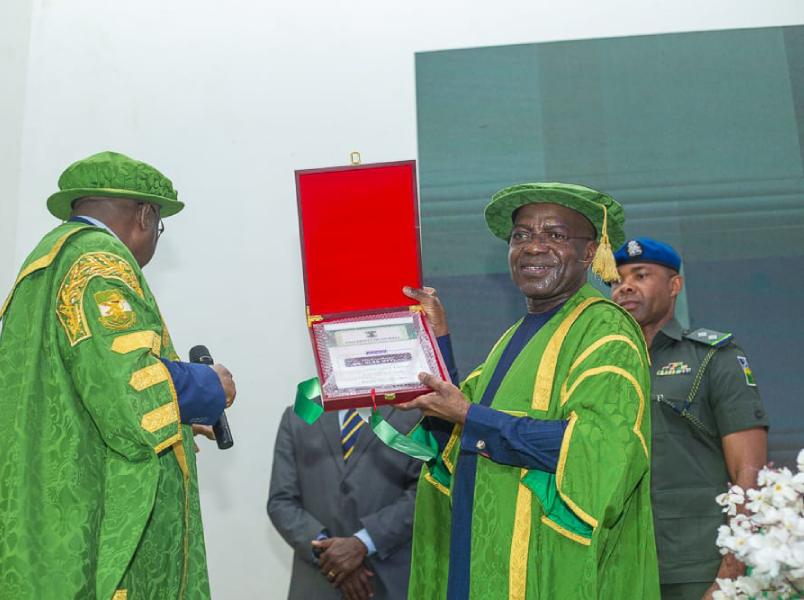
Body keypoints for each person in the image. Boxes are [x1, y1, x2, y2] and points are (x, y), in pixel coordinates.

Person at [398, 182, 660, 599]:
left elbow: (599, 451)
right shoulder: (516, 337)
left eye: (555, 235)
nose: (533, 247)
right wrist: (435, 341)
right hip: (484, 554)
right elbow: (454, 420)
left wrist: (471, 416)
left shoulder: (604, 329)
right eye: (521, 235)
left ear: (591, 252)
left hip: (549, 567)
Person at [0, 151, 236, 599]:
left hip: (49, 493)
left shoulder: (43, 263)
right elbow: (131, 392)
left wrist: (183, 416)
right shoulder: (98, 264)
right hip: (90, 509)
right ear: (146, 215)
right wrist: (211, 387)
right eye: (160, 226)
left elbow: (86, 385)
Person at [610, 237, 768, 600]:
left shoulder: (712, 356)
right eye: (616, 280)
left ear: (674, 285)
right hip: (620, 564)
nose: (625, 286)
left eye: (641, 274)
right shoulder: (602, 366)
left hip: (697, 565)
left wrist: (732, 566)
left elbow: (749, 469)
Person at [268, 403, 424, 600]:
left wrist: (363, 543)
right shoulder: (299, 413)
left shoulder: (414, 412)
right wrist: (330, 556)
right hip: (318, 586)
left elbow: (423, 493)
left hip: (390, 583)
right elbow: (281, 502)